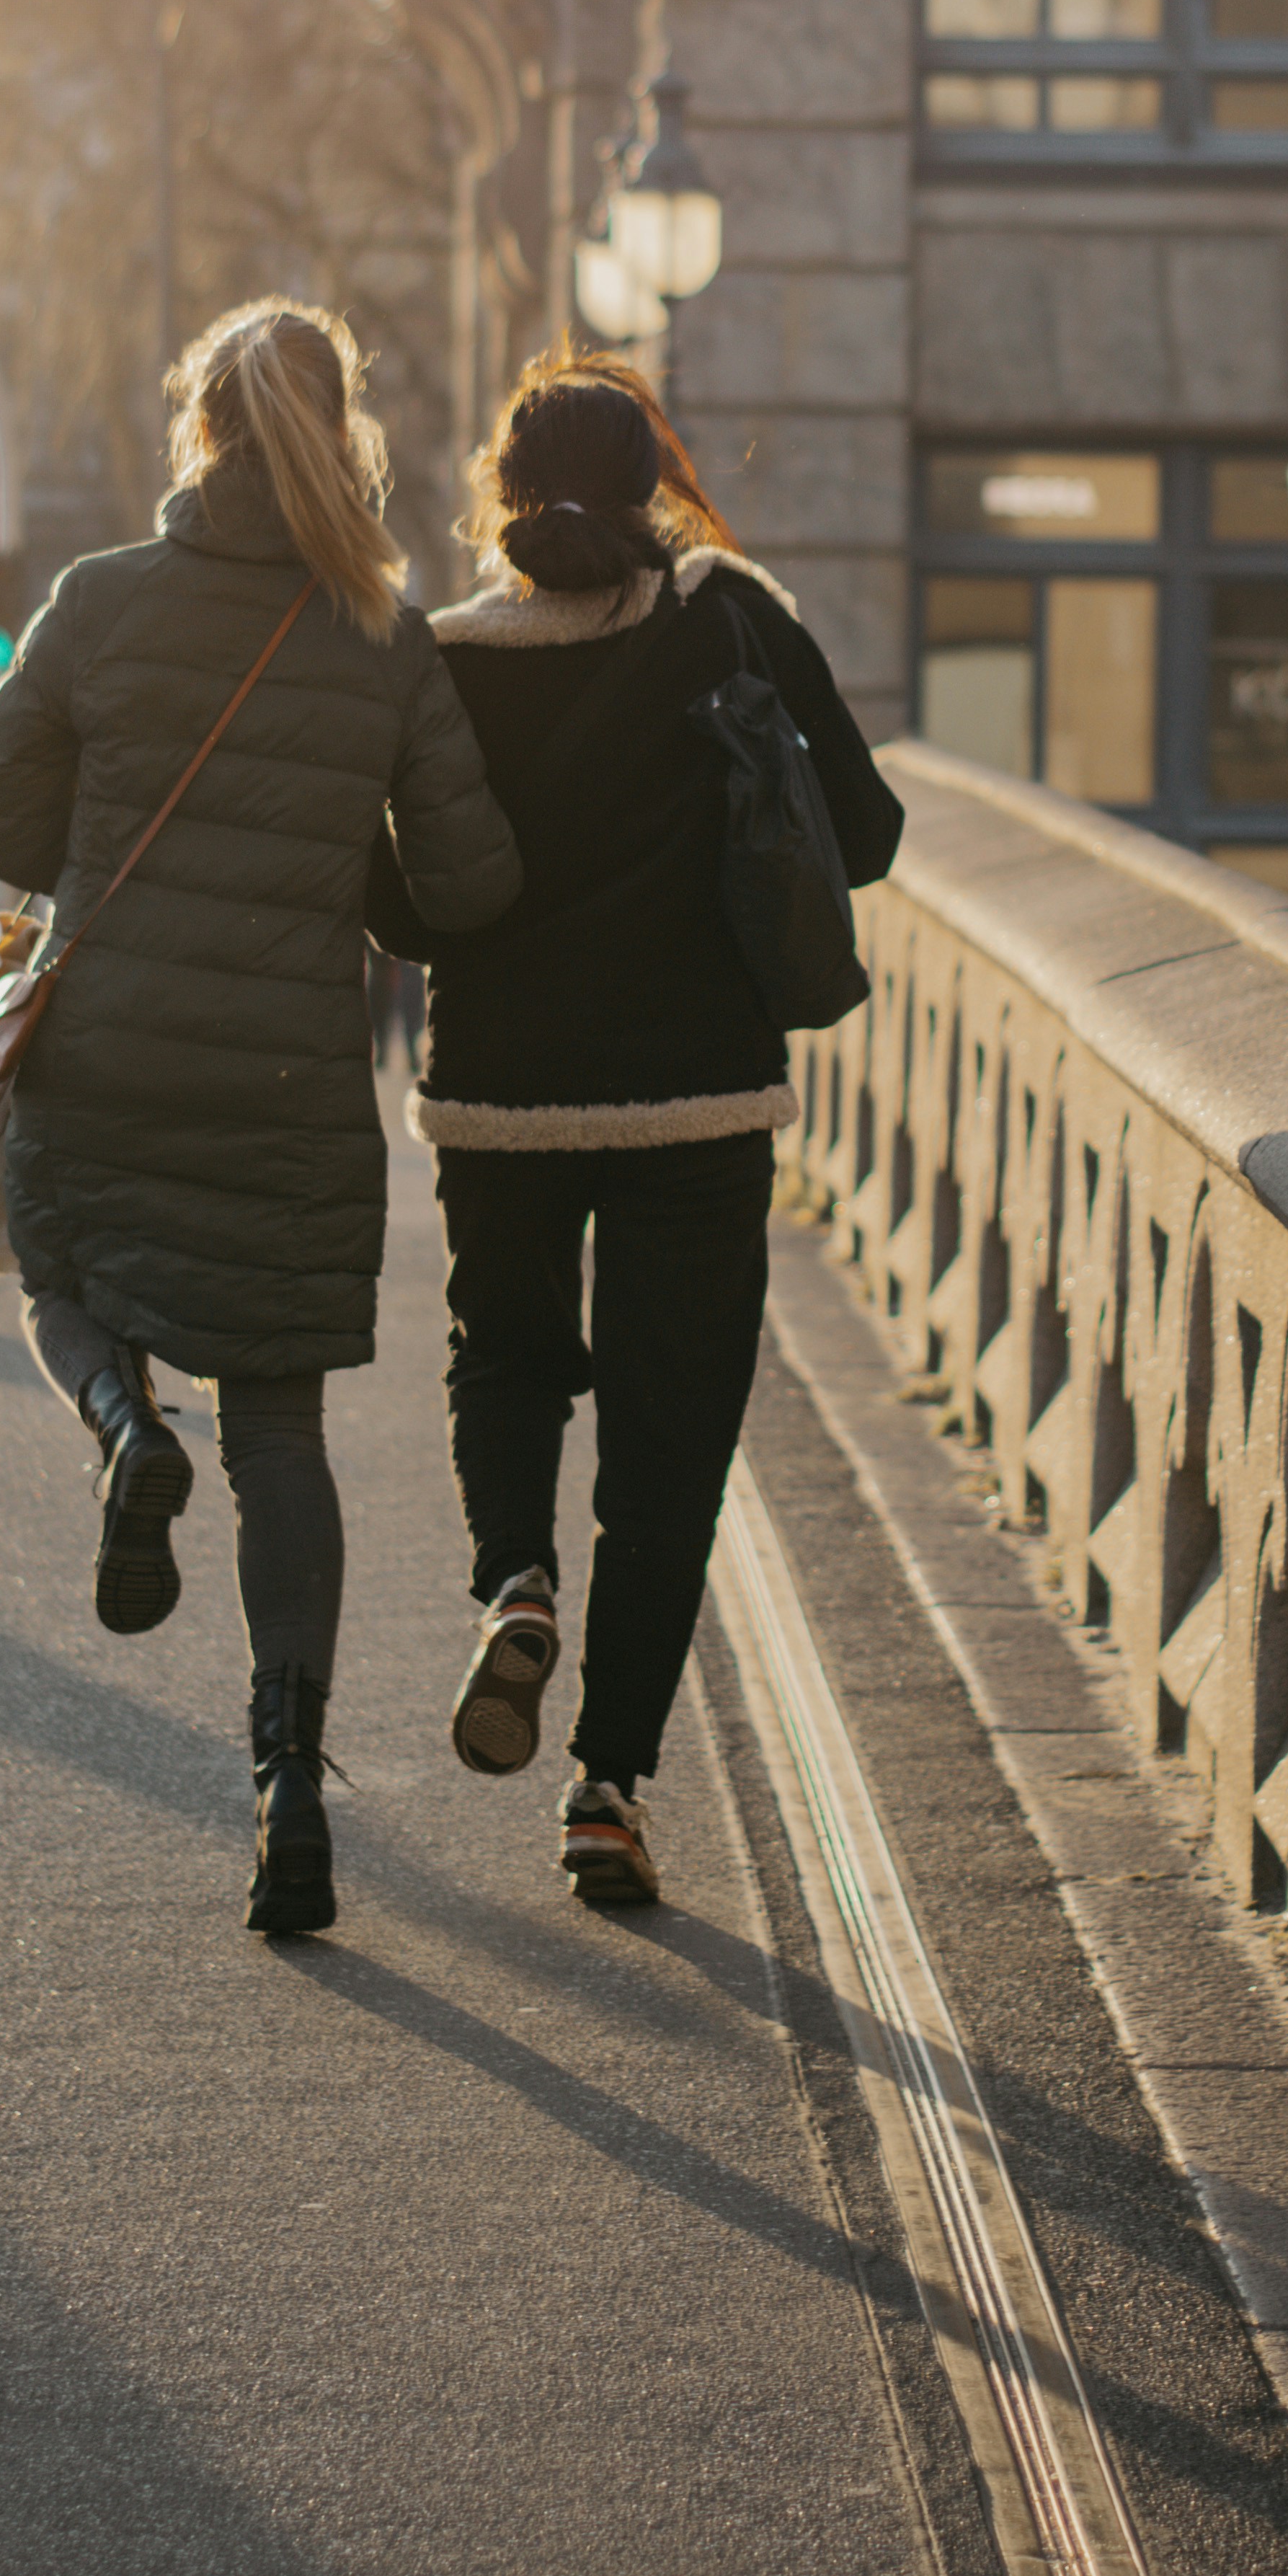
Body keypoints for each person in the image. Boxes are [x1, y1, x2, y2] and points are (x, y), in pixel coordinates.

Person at [0, 298, 519, 1938]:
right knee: (280, 1432)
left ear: (196, 429)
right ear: (338, 431)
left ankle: (127, 1434)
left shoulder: (96, 602)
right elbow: (468, 887)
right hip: (286, 1082)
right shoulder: (381, 632)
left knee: (58, 1278)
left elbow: (2, 820)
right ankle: (286, 1781)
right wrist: (341, 859)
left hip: (111, 1045)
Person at [366, 352, 903, 1910]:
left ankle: (513, 1583)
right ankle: (605, 1788)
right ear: (659, 480)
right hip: (697, 1104)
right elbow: (861, 834)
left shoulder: (443, 660)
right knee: (668, 1449)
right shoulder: (729, 617)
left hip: (499, 1104)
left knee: (505, 1356)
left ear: (500, 499)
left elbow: (396, 904)